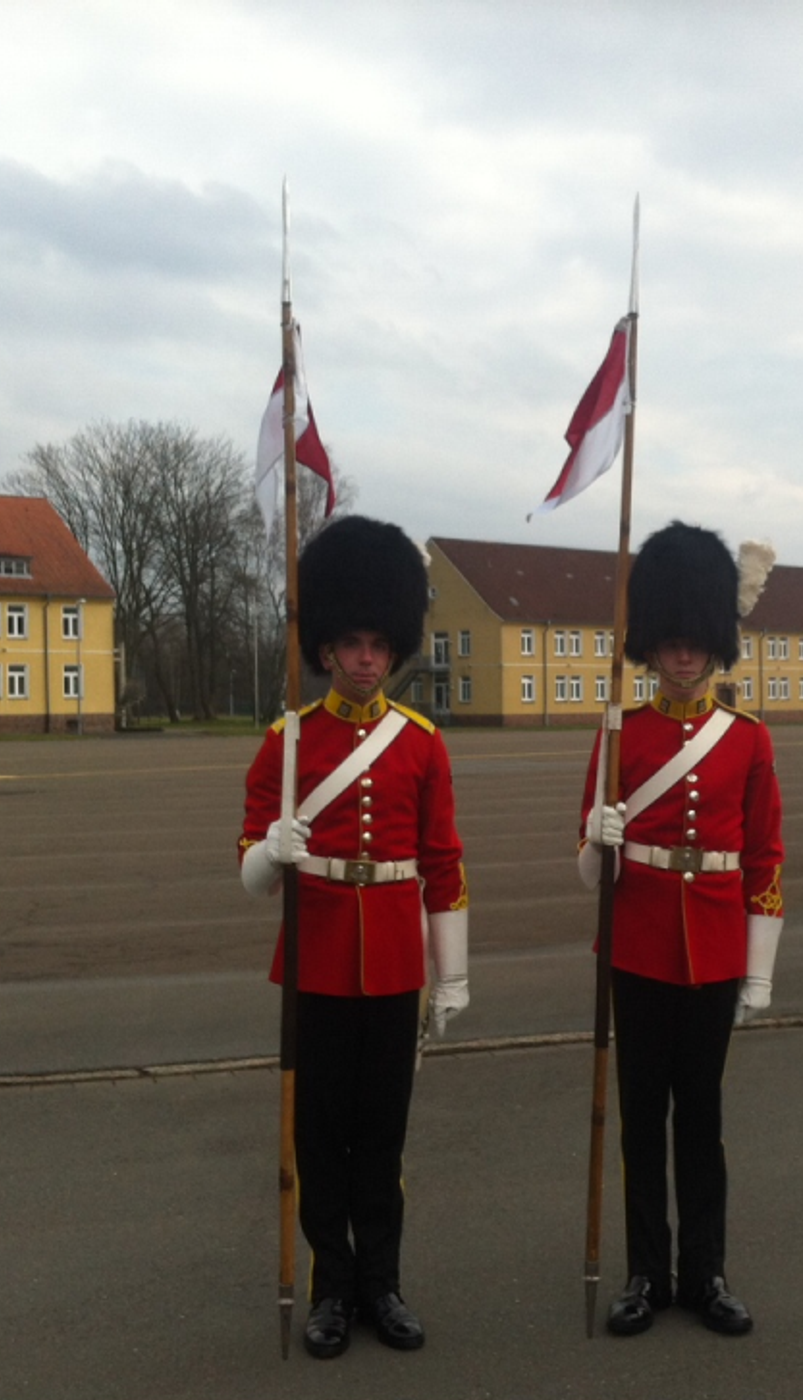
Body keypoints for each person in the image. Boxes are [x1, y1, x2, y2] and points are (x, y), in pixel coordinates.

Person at [239, 515, 469, 1360]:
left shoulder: (423, 744)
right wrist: (271, 851)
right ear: (327, 649)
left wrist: (452, 976)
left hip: (396, 967)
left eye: (379, 645)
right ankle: (331, 1289)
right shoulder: (288, 741)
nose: (367, 660)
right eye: (352, 644)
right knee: (319, 1139)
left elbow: (442, 863)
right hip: (318, 966)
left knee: (382, 1139)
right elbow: (249, 872)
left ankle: (382, 1284)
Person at [578, 520, 784, 1338]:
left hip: (716, 952)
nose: (684, 654)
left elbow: (765, 857)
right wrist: (598, 841)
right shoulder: (619, 731)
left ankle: (706, 1272)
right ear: (652, 644)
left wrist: (759, 969)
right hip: (637, 948)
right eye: (670, 640)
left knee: (702, 1120)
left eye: (696, 640)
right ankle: (645, 1273)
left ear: (713, 642)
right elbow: (588, 871)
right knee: (641, 1118)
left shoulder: (749, 740)